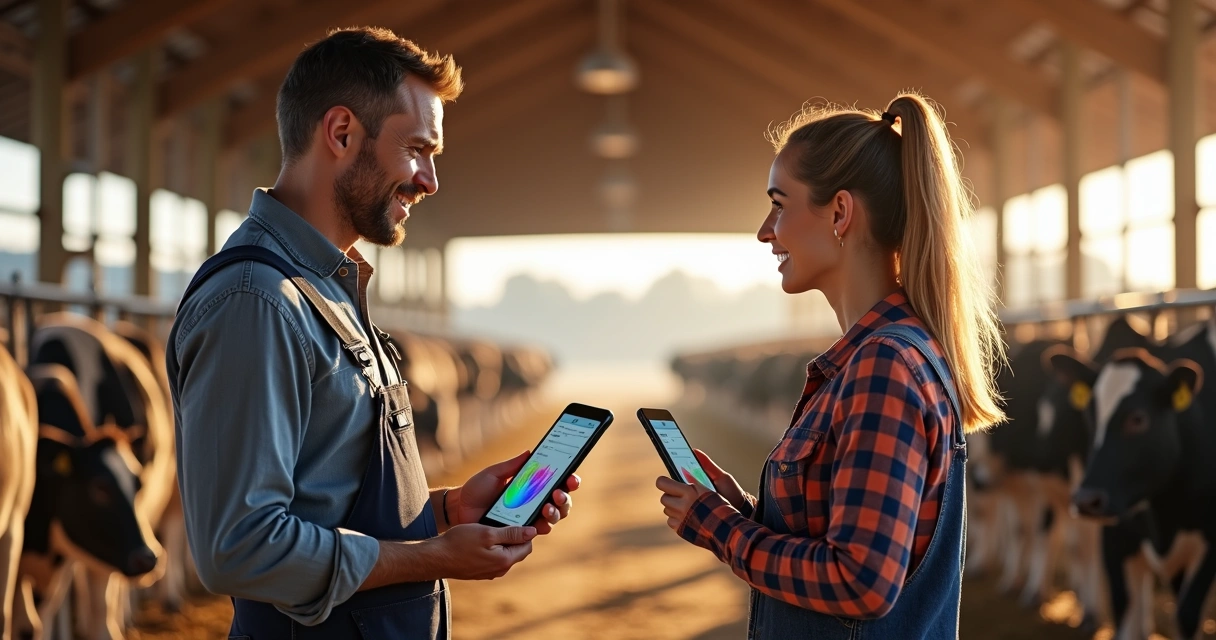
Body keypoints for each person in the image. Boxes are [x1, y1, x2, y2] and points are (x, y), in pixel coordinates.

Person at [167, 27, 577, 640]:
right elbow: (240, 546)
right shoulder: (257, 300)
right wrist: (434, 558)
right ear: (340, 133)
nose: (430, 180)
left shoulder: (327, 284)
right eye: (417, 148)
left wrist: (443, 511)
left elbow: (330, 498)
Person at [656, 94, 1006, 639]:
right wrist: (748, 514)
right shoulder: (890, 355)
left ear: (840, 213)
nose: (765, 231)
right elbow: (849, 541)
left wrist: (719, 530)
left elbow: (860, 581)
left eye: (779, 203)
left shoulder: (883, 367)